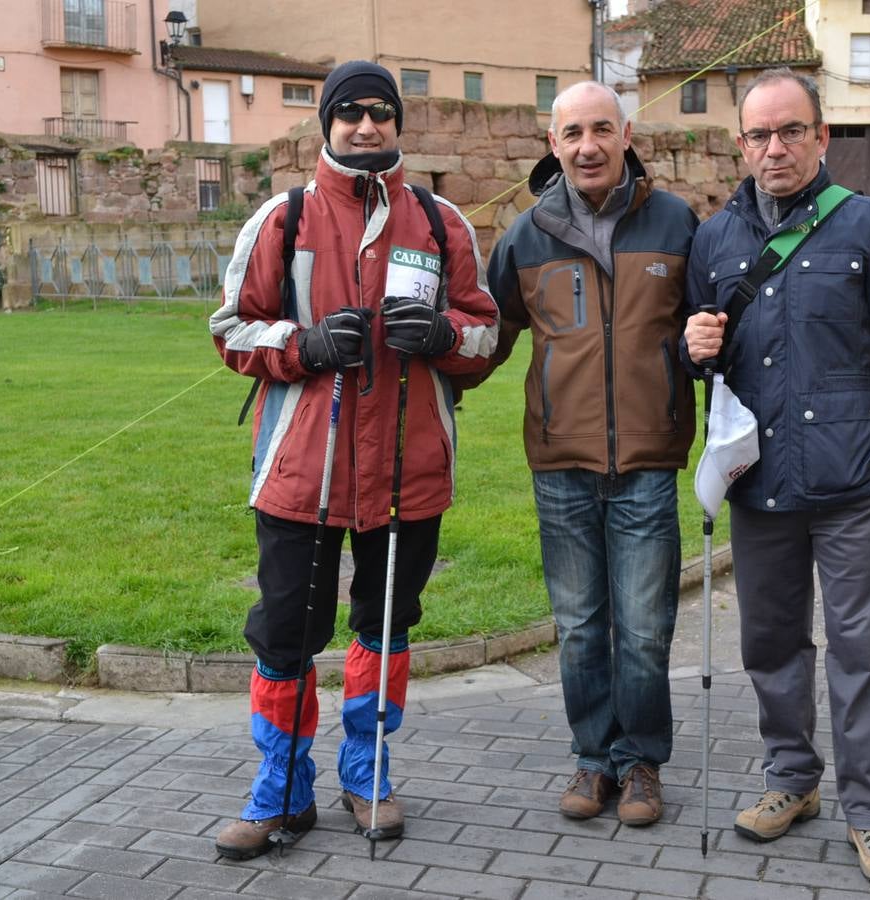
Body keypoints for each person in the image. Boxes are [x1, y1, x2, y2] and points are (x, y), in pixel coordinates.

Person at [208, 60, 498, 860]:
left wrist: (444, 337)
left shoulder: (442, 224)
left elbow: (486, 332)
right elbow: (232, 328)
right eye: (350, 114)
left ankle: (367, 771)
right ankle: (281, 787)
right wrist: (303, 345)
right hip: (305, 469)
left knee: (385, 627)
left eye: (380, 113)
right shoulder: (285, 217)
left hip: (409, 471)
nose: (366, 127)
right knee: (284, 635)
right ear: (327, 125)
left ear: (397, 124)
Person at [683, 68, 870, 884]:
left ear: (822, 137)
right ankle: (792, 781)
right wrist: (689, 351)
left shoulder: (869, 227)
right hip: (762, 487)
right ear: (742, 144)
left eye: (791, 131)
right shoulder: (716, 239)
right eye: (759, 134)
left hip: (857, 487)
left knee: (863, 653)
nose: (774, 148)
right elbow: (693, 359)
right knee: (771, 645)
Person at [453, 81, 697, 827]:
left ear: (626, 135)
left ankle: (642, 762)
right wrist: (431, 381)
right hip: (560, 463)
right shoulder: (527, 235)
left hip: (648, 461)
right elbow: (488, 334)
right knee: (583, 625)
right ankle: (594, 761)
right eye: (572, 134)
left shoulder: (677, 223)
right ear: (551, 144)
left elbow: (712, 329)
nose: (587, 146)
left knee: (647, 626)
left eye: (601, 130)